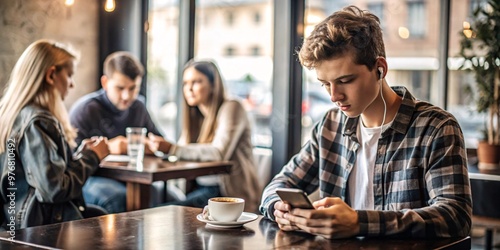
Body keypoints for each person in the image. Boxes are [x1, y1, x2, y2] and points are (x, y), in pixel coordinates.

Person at [259, 5, 472, 239]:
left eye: (345, 80)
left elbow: (455, 216)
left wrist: (359, 223)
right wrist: (279, 209)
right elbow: (280, 184)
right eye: (325, 84)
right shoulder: (331, 126)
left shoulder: (436, 128)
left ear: (380, 69)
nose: (333, 96)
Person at [0, 39, 109, 230]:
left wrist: (81, 156)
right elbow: (55, 189)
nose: (72, 84)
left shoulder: (12, 115)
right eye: (69, 75)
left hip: (14, 222)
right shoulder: (38, 122)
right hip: (37, 228)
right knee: (107, 225)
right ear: (51, 75)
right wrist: (93, 156)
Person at [148, 59, 261, 212]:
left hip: (225, 194)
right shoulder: (196, 117)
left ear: (214, 85)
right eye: (185, 83)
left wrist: (172, 148)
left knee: (156, 213)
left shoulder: (232, 107)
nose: (189, 89)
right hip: (199, 188)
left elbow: (219, 153)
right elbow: (181, 151)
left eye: (196, 82)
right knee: (151, 208)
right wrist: (156, 149)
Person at [69, 51, 166, 213]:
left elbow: (160, 143)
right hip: (92, 178)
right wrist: (108, 148)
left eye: (133, 88)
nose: (127, 96)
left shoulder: (139, 107)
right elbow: (71, 160)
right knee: (118, 198)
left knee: (170, 197)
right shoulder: (85, 110)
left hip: (132, 178)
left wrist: (148, 145)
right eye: (120, 88)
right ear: (105, 82)